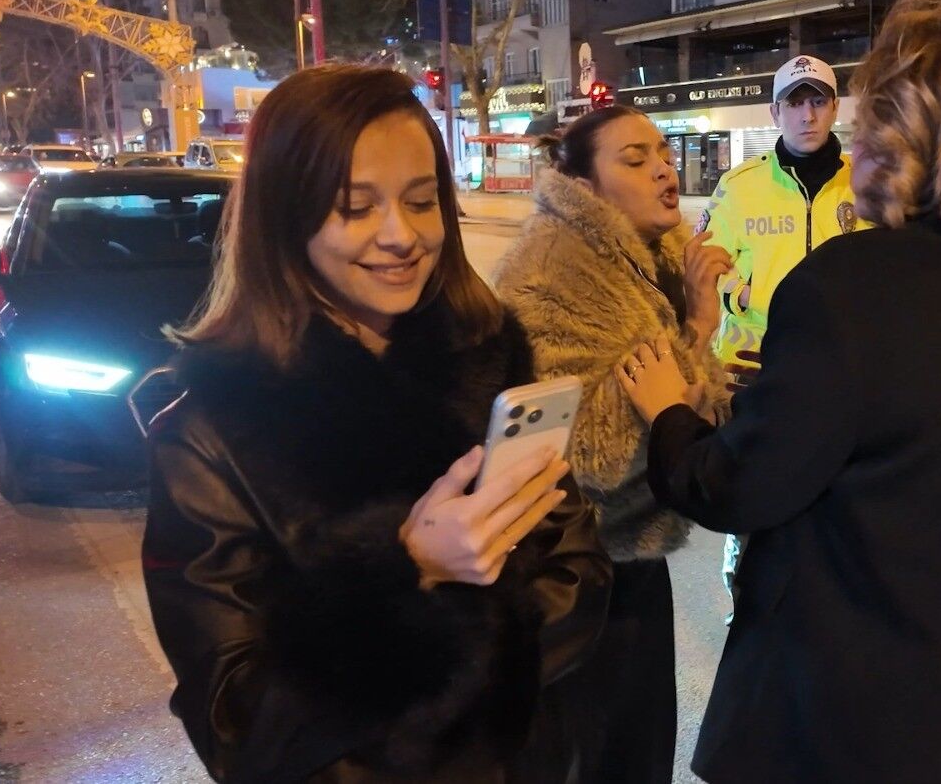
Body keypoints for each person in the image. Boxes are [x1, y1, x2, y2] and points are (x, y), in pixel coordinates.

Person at [616, 0, 941, 784]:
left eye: (869, 118)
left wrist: (670, 414)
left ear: (899, 138)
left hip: (877, 731)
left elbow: (737, 486)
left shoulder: (852, 286)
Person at [142, 65, 611, 783]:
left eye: (422, 201)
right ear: (285, 216)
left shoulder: (485, 356)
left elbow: (581, 571)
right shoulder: (213, 432)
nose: (403, 235)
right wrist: (408, 572)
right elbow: (235, 723)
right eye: (356, 207)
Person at [493, 105, 733, 784]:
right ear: (584, 188)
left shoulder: (651, 260)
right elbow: (586, 448)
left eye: (663, 154)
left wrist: (698, 340)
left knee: (641, 752)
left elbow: (689, 397)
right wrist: (696, 332)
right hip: (572, 572)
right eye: (634, 158)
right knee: (595, 760)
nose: (663, 169)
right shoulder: (553, 270)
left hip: (634, 558)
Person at [699, 52, 869, 604]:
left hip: (843, 372)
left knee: (834, 505)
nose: (807, 115)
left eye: (818, 101)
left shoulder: (866, 183)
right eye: (794, 104)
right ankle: (744, 598)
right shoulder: (740, 186)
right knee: (754, 499)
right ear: (774, 113)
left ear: (835, 107)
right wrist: (743, 293)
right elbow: (704, 262)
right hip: (755, 373)